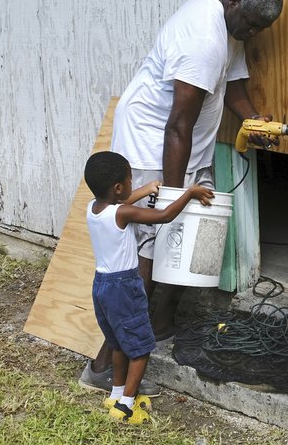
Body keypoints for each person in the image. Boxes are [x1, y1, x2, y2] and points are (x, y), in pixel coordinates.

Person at [78, 0, 284, 394]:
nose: (252, 34)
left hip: (183, 144)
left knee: (186, 233)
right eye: (250, 25)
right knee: (151, 248)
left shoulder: (227, 16)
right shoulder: (203, 40)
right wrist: (171, 197)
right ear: (235, 0)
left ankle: (162, 323)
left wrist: (252, 118)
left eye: (260, 30)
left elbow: (234, 84)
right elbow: (177, 126)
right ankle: (103, 365)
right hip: (153, 142)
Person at [83, 150, 214, 423]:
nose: (132, 185)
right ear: (119, 187)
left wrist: (144, 189)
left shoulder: (94, 209)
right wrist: (189, 193)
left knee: (118, 342)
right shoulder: (123, 214)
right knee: (141, 348)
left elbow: (122, 203)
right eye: (130, 181)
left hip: (102, 286)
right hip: (125, 286)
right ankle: (126, 406)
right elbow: (165, 215)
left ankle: (116, 393)